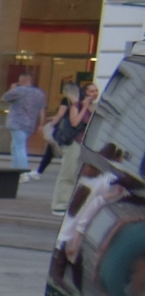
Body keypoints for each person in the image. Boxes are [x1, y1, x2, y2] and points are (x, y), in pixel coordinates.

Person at [50, 81, 98, 214]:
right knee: (68, 173)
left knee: (82, 176)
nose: (94, 94)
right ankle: (59, 204)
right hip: (74, 143)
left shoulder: (95, 107)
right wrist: (83, 107)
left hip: (87, 145)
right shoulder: (76, 105)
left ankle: (74, 204)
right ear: (84, 93)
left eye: (95, 91)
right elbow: (75, 122)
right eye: (91, 91)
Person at [2, 68, 47, 178]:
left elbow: (4, 98)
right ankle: (14, 170)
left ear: (21, 80)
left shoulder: (19, 90)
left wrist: (12, 89)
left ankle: (23, 172)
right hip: (30, 123)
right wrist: (41, 124)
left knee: (20, 147)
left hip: (17, 122)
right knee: (15, 146)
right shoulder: (39, 93)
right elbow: (42, 110)